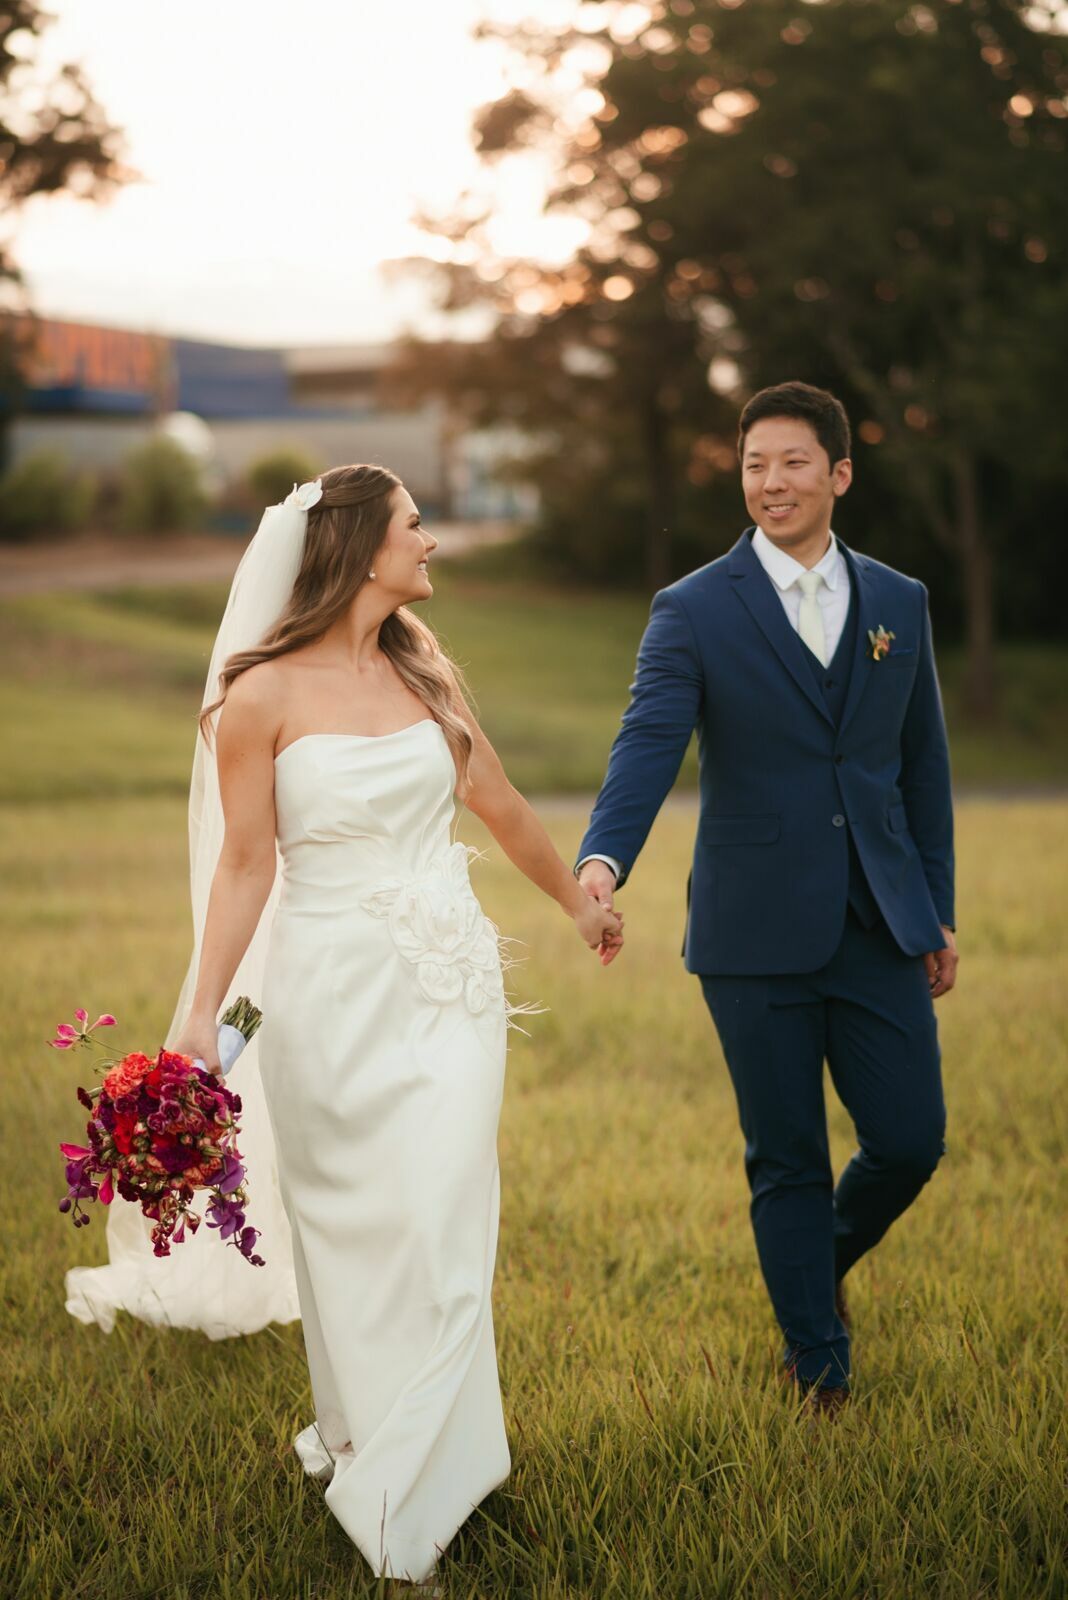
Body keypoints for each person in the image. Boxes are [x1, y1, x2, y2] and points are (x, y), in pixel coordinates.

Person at [136, 463, 618, 1585]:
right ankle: (366, 1437)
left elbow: (497, 801)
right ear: (357, 547)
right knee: (351, 1228)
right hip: (325, 995)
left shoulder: (426, 675)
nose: (431, 541)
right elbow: (246, 865)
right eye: (414, 524)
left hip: (449, 987)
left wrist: (577, 902)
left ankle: (422, 1476)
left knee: (446, 1217)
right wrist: (201, 1016)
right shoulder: (257, 697)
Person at [576, 381, 957, 1415]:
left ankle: (810, 1267)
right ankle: (817, 1365)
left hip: (880, 920)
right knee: (786, 1158)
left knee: (911, 1140)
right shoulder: (694, 608)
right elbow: (648, 744)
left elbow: (922, 767)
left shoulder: (899, 601)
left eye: (793, 463)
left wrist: (937, 908)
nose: (771, 482)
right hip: (751, 930)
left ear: (839, 474)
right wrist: (603, 861)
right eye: (754, 465)